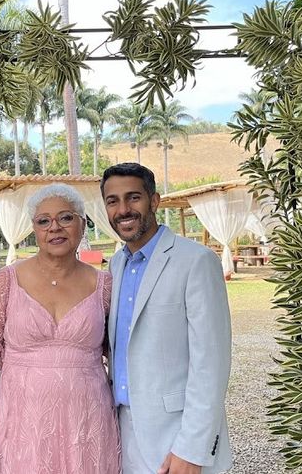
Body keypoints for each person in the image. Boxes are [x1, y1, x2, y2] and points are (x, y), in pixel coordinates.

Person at [0, 183, 121, 474]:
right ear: (34, 229)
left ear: (83, 224)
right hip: (23, 425)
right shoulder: (5, 282)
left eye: (66, 217)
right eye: (44, 221)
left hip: (87, 425)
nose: (54, 227)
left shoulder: (105, 286)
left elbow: (119, 356)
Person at [100, 163, 233, 474]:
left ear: (154, 201)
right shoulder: (115, 265)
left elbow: (211, 364)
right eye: (113, 201)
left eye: (133, 197)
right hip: (125, 436)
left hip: (177, 439)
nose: (123, 210)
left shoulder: (196, 261)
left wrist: (192, 450)